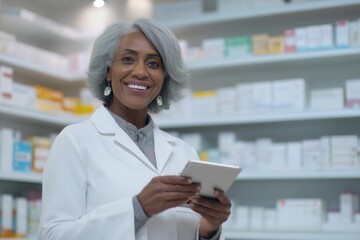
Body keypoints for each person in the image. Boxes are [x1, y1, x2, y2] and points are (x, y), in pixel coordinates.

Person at [38, 18, 231, 240]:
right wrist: (138, 209)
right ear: (108, 71)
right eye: (128, 59)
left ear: (164, 77)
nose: (140, 72)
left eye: (153, 63)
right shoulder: (74, 141)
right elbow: (53, 235)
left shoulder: (183, 152)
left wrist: (210, 229)